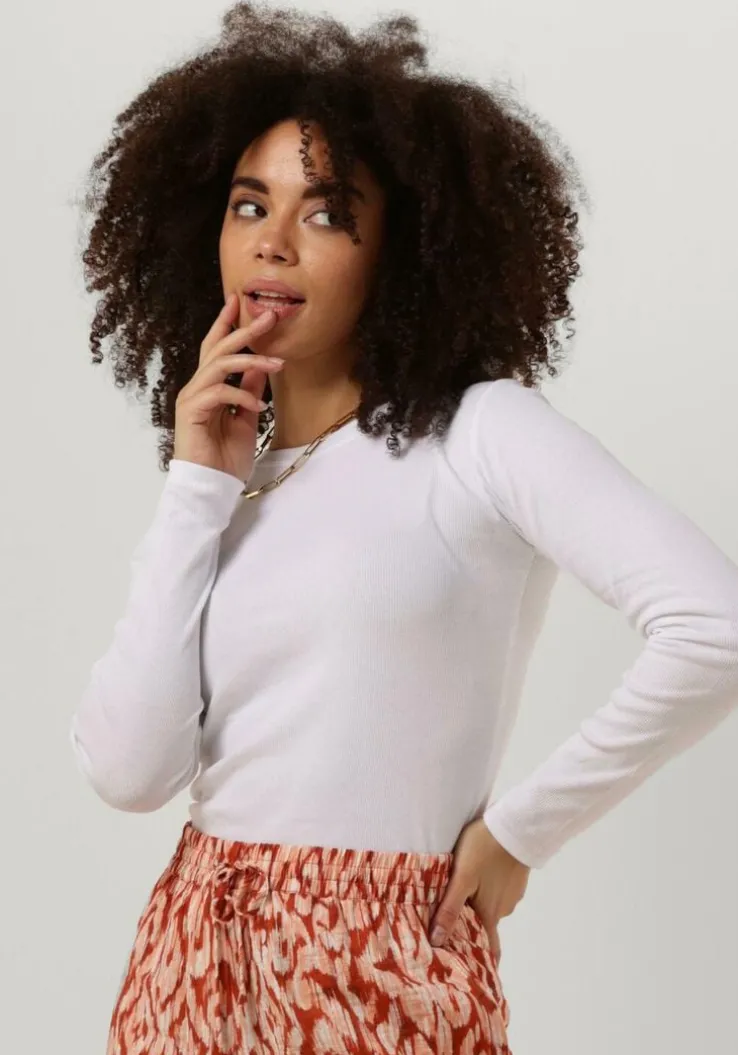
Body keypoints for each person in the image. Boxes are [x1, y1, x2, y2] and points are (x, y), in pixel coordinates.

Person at [70, 4, 738, 1053]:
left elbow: (714, 624)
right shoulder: (230, 482)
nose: (273, 241)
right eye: (249, 204)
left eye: (328, 214)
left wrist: (522, 831)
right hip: (190, 959)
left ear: (405, 251)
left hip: (380, 963)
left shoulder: (480, 433)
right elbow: (128, 770)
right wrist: (197, 481)